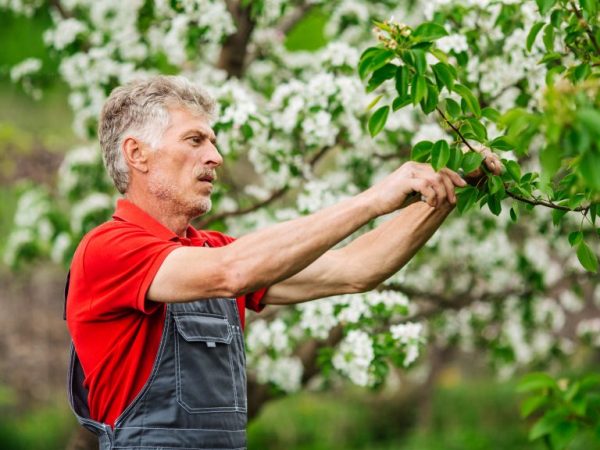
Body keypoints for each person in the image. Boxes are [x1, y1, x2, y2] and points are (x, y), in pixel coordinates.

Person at [65, 75, 502, 450]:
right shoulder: (109, 249)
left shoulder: (210, 249)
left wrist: (447, 191)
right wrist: (372, 200)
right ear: (137, 154)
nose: (215, 156)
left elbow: (356, 270)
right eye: (195, 140)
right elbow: (230, 272)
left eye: (213, 142)